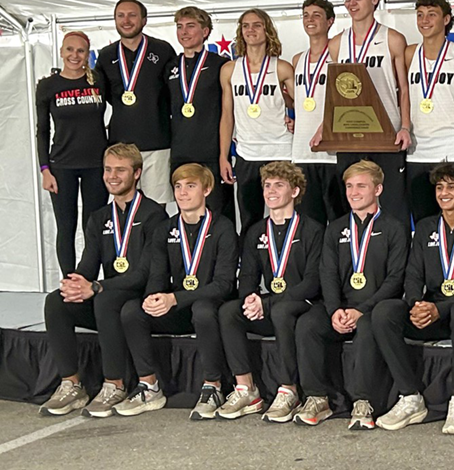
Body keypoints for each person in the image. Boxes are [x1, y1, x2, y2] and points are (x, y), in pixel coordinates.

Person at [39, 143, 167, 417]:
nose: (112, 176)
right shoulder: (98, 218)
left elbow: (145, 273)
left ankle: (115, 384)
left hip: (138, 298)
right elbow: (88, 264)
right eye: (108, 169)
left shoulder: (154, 214)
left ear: (136, 173)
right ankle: (71, 385)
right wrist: (75, 283)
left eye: (120, 170)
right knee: (56, 302)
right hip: (108, 297)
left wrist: (96, 286)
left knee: (106, 298)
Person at [372, 163, 454, 434]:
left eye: (452, 187)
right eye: (439, 187)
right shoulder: (427, 227)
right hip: (431, 308)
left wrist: (441, 308)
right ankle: (410, 396)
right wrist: (417, 304)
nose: (444, 193)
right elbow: (413, 274)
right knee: (384, 312)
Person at [114, 164, 239, 418]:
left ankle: (213, 386)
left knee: (203, 309)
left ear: (207, 189)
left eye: (190, 186)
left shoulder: (223, 228)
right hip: (178, 305)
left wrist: (175, 298)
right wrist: (154, 298)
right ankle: (149, 386)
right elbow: (157, 274)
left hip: (211, 305)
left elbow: (224, 285)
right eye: (178, 187)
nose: (182, 193)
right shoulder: (165, 229)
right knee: (132, 310)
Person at [294, 160, 408, 430]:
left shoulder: (395, 227)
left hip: (375, 307)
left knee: (370, 325)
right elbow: (328, 273)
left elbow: (396, 279)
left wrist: (362, 310)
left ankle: (363, 401)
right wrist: (334, 310)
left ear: (378, 189)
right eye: (349, 186)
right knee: (308, 324)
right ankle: (316, 397)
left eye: (361, 186)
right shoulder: (335, 228)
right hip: (340, 306)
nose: (354, 192)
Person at [214, 161, 324, 421]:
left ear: (295, 192)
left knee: (282, 310)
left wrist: (268, 303)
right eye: (267, 185)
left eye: (279, 185)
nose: (270, 191)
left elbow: (312, 283)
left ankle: (289, 389)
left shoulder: (313, 230)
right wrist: (251, 299)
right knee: (230, 311)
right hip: (272, 303)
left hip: (304, 303)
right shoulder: (255, 231)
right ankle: (246, 388)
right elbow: (248, 277)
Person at [319, 0, 412, 228]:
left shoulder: (392, 39)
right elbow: (335, 94)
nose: (351, 3)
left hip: (386, 134)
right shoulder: (337, 44)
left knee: (393, 206)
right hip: (350, 135)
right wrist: (323, 128)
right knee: (353, 204)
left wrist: (404, 126)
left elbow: (403, 88)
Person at [36, 30, 109, 276]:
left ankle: (87, 280)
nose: (74, 55)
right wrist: (45, 169)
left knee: (94, 226)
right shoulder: (48, 86)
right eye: (69, 49)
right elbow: (42, 131)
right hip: (61, 166)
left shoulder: (98, 80)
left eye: (80, 50)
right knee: (66, 227)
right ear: (61, 52)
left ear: (88, 54)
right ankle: (68, 282)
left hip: (96, 165)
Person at [219, 9, 295, 233]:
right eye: (245, 25)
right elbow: (226, 115)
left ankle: (285, 264)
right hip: (247, 154)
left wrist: (293, 116)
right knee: (250, 219)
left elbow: (300, 105)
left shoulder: (281, 67)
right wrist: (224, 156)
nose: (250, 30)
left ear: (267, 30)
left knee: (285, 215)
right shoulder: (229, 70)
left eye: (257, 25)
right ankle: (251, 267)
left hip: (281, 151)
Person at [96, 0, 177, 205]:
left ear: (144, 20)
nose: (126, 20)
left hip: (157, 143)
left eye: (132, 15)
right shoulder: (106, 56)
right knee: (124, 207)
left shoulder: (162, 50)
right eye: (120, 15)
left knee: (157, 208)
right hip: (120, 147)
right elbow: (100, 97)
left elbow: (175, 93)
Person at [404, 0, 454, 224]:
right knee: (424, 221)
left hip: (451, 148)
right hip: (417, 150)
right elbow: (400, 93)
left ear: (446, 19)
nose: (424, 20)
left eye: (431, 14)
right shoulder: (409, 54)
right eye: (420, 15)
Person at [168, 6, 235, 222]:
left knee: (219, 216)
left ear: (205, 31)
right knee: (187, 215)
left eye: (191, 26)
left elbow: (231, 110)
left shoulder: (221, 65)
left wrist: (224, 155)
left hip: (212, 154)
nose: (184, 32)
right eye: (180, 27)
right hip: (181, 153)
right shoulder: (169, 67)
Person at [292, 0, 345, 225]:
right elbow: (300, 100)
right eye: (306, 15)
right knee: (309, 221)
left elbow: (346, 101)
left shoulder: (340, 57)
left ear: (330, 21)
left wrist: (324, 127)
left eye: (316, 15)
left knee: (338, 219)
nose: (310, 20)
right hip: (302, 151)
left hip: (333, 152)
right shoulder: (297, 60)